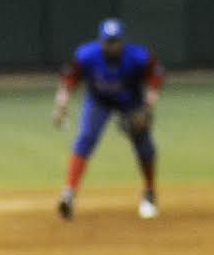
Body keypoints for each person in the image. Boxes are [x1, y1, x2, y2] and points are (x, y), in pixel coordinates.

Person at [52, 18, 164, 220]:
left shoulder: (138, 56)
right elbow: (71, 76)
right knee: (86, 138)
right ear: (100, 41)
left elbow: (155, 76)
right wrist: (63, 97)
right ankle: (69, 194)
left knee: (145, 147)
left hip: (131, 102)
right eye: (107, 41)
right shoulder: (87, 55)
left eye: (115, 41)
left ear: (123, 41)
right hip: (99, 101)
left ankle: (150, 193)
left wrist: (149, 104)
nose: (111, 46)